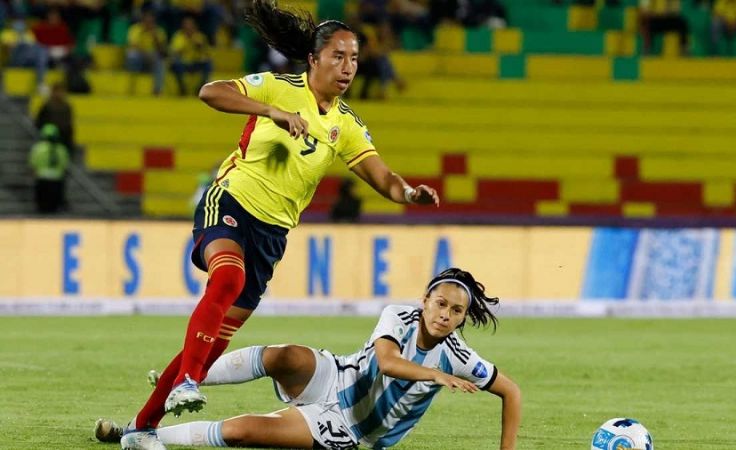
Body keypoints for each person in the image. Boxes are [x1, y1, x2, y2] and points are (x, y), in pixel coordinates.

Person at [113, 1, 440, 448]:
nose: (348, 67)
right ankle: (187, 382)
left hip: (271, 236)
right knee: (227, 277)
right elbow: (210, 91)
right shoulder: (278, 87)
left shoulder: (345, 125)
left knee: (210, 345)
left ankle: (141, 428)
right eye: (339, 56)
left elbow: (381, 176)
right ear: (314, 59)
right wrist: (271, 112)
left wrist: (407, 193)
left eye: (355, 59)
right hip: (230, 202)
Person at [96, 268, 521, 449]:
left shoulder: (460, 357)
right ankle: (186, 381)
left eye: (456, 311)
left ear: (464, 317)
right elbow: (388, 360)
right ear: (425, 299)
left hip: (350, 429)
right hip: (336, 377)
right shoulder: (399, 315)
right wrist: (432, 374)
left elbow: (511, 392)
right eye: (440, 303)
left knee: (245, 430)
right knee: (287, 355)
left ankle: (136, 437)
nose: (445, 315)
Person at [29, 123, 70, 214]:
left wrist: (34, 174)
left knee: (42, 206)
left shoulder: (38, 148)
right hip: (57, 180)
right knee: (54, 207)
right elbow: (64, 166)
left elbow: (33, 164)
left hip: (42, 178)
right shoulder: (62, 149)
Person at [125, 9, 168, 96]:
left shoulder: (158, 31)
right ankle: (132, 86)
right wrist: (146, 53)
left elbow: (163, 52)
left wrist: (155, 38)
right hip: (139, 58)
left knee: (161, 62)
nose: (149, 23)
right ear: (142, 21)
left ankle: (157, 90)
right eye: (147, 21)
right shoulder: (135, 29)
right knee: (132, 55)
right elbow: (133, 46)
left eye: (151, 21)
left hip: (152, 59)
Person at [169, 16, 212, 96]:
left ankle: (200, 88)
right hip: (183, 63)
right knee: (175, 64)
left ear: (194, 26)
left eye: (190, 25)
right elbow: (174, 52)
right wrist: (187, 42)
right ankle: (182, 88)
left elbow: (207, 53)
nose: (188, 27)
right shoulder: (179, 36)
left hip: (196, 62)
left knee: (208, 64)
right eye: (186, 25)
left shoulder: (200, 37)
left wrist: (200, 48)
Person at [35, 81, 75, 156]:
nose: (59, 94)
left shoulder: (67, 107)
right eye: (57, 91)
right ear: (53, 92)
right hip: (48, 139)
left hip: (64, 140)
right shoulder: (46, 106)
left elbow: (69, 125)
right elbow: (38, 122)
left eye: (61, 92)